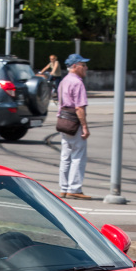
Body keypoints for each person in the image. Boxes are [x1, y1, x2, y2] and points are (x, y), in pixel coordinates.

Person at [56, 53, 92, 200]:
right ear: (75, 66)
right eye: (83, 65)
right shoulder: (77, 83)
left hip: (63, 121)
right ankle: (74, 188)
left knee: (66, 156)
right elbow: (79, 108)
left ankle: (63, 188)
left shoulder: (64, 81)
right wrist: (84, 127)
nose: (86, 68)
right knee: (78, 155)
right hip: (73, 122)